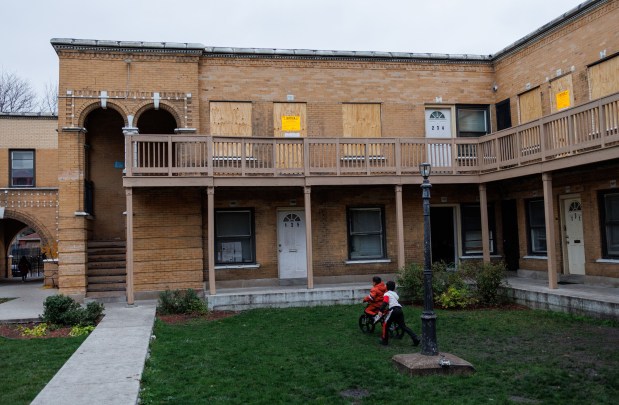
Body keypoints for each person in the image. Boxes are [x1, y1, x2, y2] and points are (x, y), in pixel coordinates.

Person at [379, 280, 420, 347]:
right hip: (399, 310)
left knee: (385, 325)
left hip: (393, 310)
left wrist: (381, 310)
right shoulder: (395, 294)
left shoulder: (387, 294)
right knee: (403, 326)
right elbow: (393, 302)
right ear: (394, 288)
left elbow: (385, 302)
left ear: (386, 287)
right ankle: (415, 338)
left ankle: (384, 341)